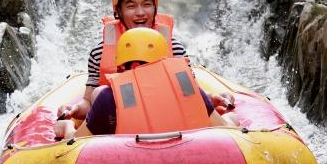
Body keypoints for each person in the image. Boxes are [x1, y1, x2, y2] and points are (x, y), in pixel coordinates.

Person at [59, 28, 232, 139]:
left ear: (127, 65)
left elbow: (74, 143)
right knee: (232, 119)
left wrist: (66, 127)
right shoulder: (189, 88)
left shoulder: (108, 98)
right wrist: (231, 118)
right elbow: (227, 131)